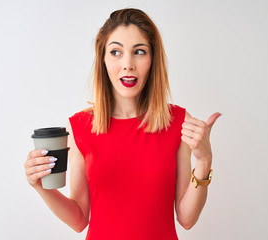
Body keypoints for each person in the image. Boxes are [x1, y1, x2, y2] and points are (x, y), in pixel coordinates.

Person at [24, 8, 221, 240]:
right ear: (103, 60)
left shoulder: (178, 122)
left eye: (139, 51)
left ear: (152, 59)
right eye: (116, 52)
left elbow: (187, 219)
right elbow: (79, 220)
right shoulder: (80, 128)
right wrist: (40, 186)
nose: (128, 64)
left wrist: (204, 160)